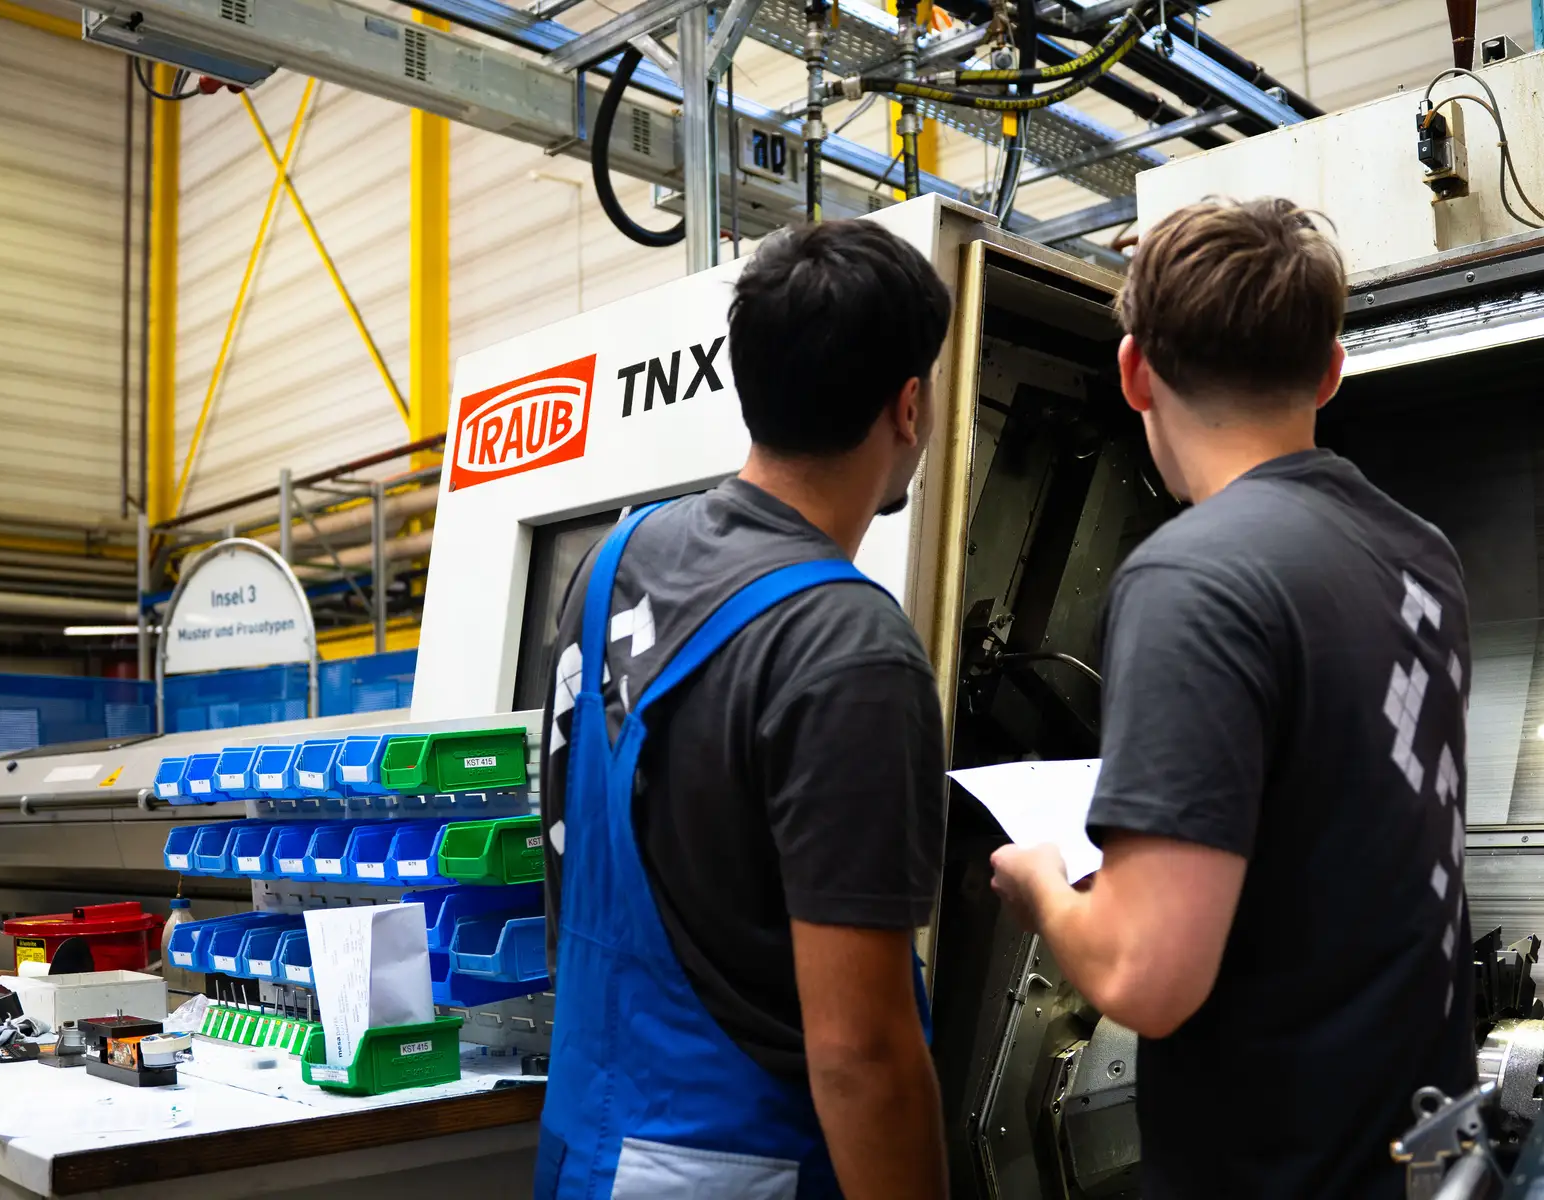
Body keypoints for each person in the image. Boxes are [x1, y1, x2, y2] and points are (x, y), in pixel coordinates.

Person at [989, 198, 1474, 1199]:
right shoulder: (1424, 559)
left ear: (1134, 373)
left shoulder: (1193, 578)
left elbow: (1146, 981)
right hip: (1419, 1159)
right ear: (1330, 368)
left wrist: (1040, 881)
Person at [535, 220, 951, 1200]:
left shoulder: (611, 565)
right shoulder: (847, 645)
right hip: (736, 1169)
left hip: (585, 1148)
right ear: (909, 406)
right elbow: (861, 1056)